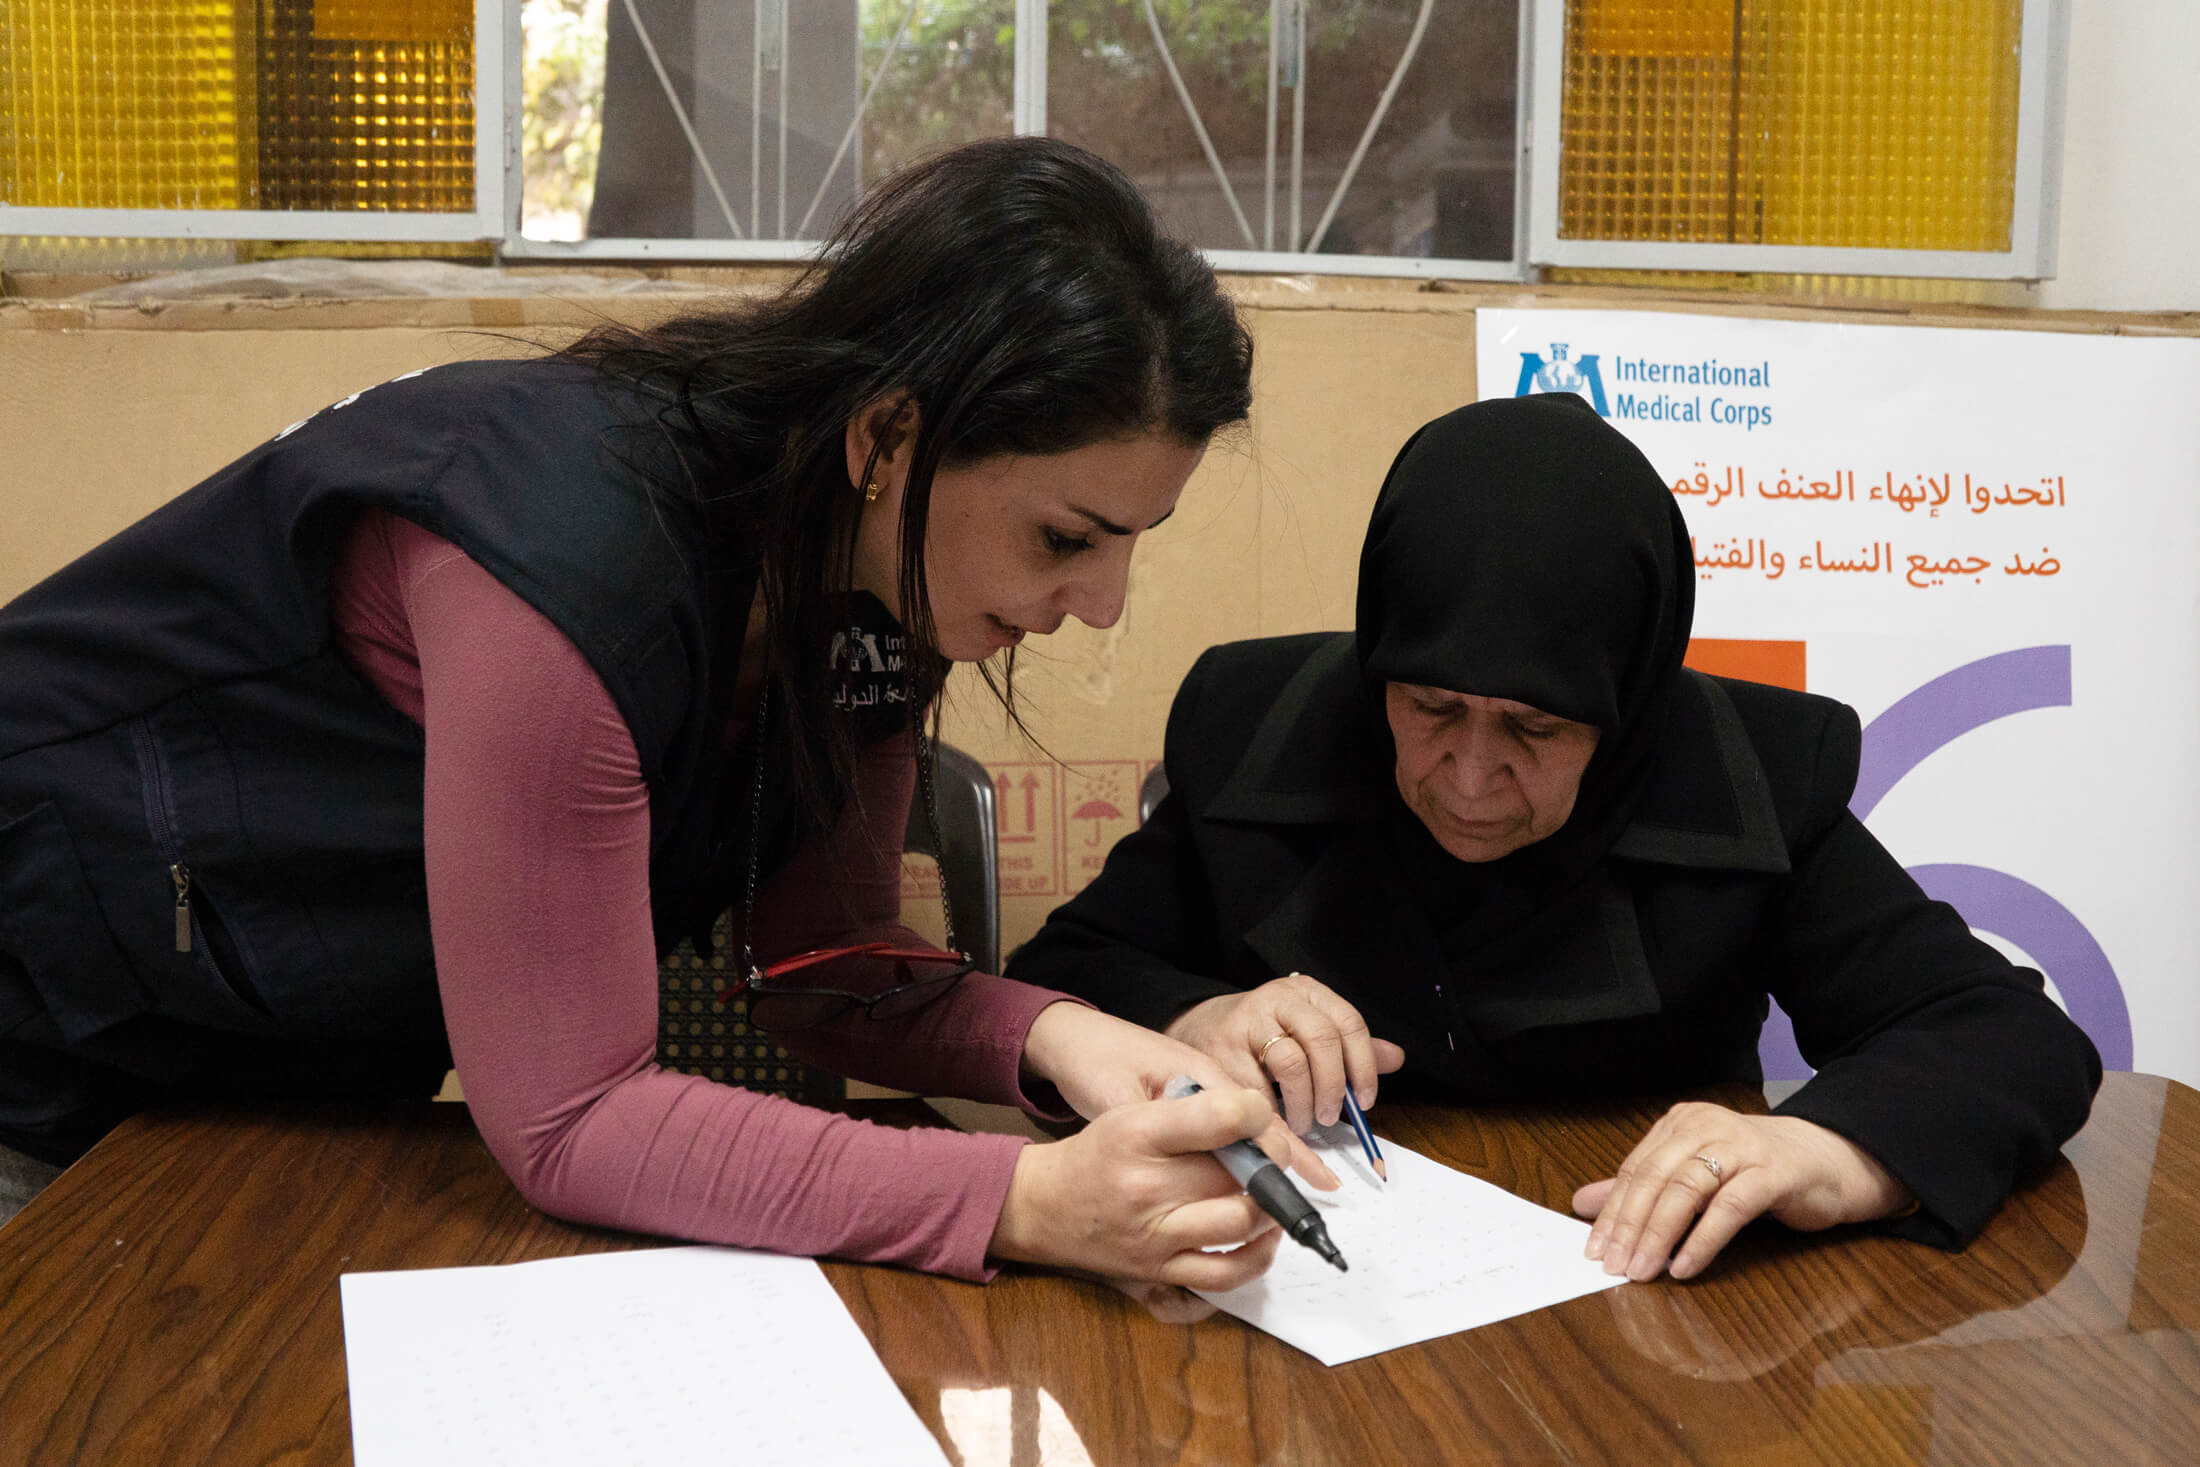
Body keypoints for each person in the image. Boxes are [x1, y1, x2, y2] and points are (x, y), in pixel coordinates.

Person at [0, 137, 1331, 1288]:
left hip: (267, 1100)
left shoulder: (877, 588)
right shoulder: (562, 569)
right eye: (1064, 537)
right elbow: (572, 1117)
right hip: (48, 1041)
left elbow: (820, 968)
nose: (1101, 603)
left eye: (1132, 542)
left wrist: (1064, 1035)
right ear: (886, 441)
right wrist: (1021, 1202)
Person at [1007, 392, 2103, 1283]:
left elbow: (2005, 1034)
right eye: (1429, 708)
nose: (1471, 776)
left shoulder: (1747, 778)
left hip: (1647, 1306)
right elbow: (1059, 976)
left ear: (1623, 700)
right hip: (1292, 1290)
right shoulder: (1265, 729)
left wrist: (1828, 1147)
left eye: (1535, 728)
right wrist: (1199, 1017)